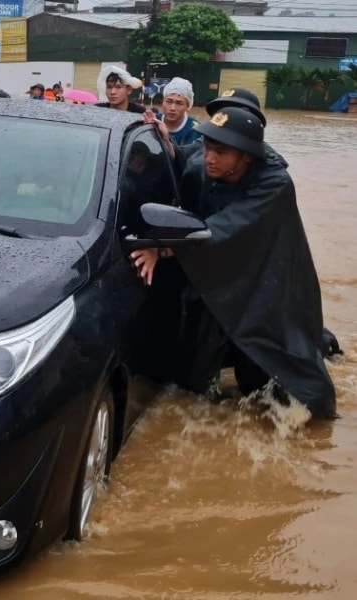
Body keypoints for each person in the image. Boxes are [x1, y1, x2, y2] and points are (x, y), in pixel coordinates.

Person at [132, 106, 336, 419]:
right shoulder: (209, 163)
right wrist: (167, 143)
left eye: (221, 151)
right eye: (208, 146)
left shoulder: (274, 184)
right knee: (197, 377)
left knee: (281, 378)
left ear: (246, 157)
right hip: (225, 278)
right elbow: (189, 159)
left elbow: (224, 228)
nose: (209, 157)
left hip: (268, 281)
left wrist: (160, 250)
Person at [157, 77, 200, 145]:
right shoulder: (153, 121)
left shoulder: (195, 130)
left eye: (179, 103)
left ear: (188, 106)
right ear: (163, 102)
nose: (172, 108)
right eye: (169, 102)